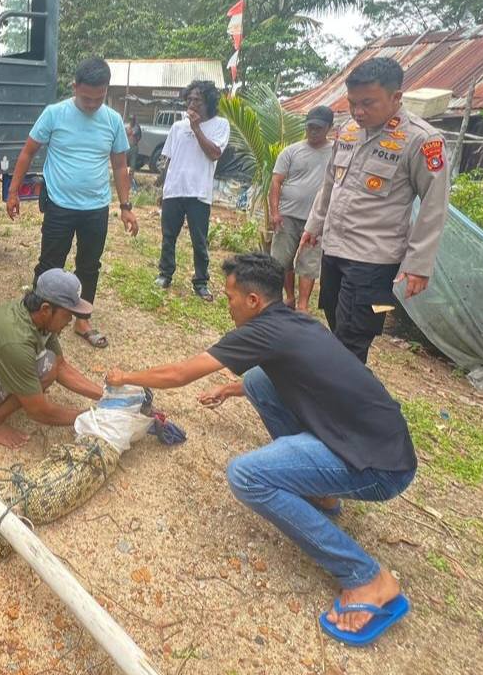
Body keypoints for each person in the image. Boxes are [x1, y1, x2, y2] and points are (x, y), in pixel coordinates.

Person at [107, 253, 417, 645]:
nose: (228, 304)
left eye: (231, 297)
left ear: (253, 301)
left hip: (381, 468)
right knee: (255, 380)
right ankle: (319, 494)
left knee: (246, 475)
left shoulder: (260, 331)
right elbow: (300, 373)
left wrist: (124, 376)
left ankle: (367, 579)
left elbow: (179, 374)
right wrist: (232, 387)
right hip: (377, 439)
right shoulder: (292, 320)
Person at [301, 57, 450, 362]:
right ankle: (344, 392)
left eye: (368, 103)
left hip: (373, 260)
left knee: (353, 340)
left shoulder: (422, 140)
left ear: (396, 97)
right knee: (336, 323)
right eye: (353, 103)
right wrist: (313, 226)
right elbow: (330, 183)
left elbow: (434, 204)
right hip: (335, 249)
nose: (358, 112)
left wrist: (418, 264)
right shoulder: (349, 131)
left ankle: (341, 402)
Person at [6, 57, 138, 349]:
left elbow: (119, 166)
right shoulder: (55, 114)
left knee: (89, 265)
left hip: (96, 207)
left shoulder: (113, 121)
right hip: (60, 204)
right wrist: (13, 192)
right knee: (50, 264)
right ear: (75, 86)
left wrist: (126, 207)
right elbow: (27, 153)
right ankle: (36, 318)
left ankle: (82, 320)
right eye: (86, 97)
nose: (92, 104)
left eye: (99, 98)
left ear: (106, 90)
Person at [0, 268, 104, 449]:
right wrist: (92, 417)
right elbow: (38, 411)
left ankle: (19, 394)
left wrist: (105, 395)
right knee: (45, 366)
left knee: (50, 362)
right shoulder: (16, 340)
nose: (70, 320)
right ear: (46, 309)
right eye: (67, 314)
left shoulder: (37, 316)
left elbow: (61, 366)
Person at [154, 80, 231, 301]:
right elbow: (169, 159)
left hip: (199, 192)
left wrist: (197, 128)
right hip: (175, 189)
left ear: (209, 101)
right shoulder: (178, 127)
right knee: (169, 236)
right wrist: (163, 187)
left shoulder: (220, 125)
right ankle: (165, 274)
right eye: (189, 99)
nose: (192, 103)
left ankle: (201, 282)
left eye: (197, 99)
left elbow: (214, 153)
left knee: (199, 239)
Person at [269, 105, 335, 311]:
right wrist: (275, 213)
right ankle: (289, 297)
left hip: (316, 220)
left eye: (318, 128)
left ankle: (303, 305)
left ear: (329, 128)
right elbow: (276, 182)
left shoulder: (337, 152)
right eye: (310, 127)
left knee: (308, 263)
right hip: (288, 215)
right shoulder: (291, 151)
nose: (313, 131)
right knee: (282, 259)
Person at [124, 115, 143, 190]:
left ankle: (130, 181)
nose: (132, 121)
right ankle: (124, 179)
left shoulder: (137, 127)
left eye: (133, 120)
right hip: (127, 147)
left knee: (132, 165)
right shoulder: (127, 126)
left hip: (134, 147)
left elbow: (137, 135)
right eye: (130, 119)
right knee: (123, 164)